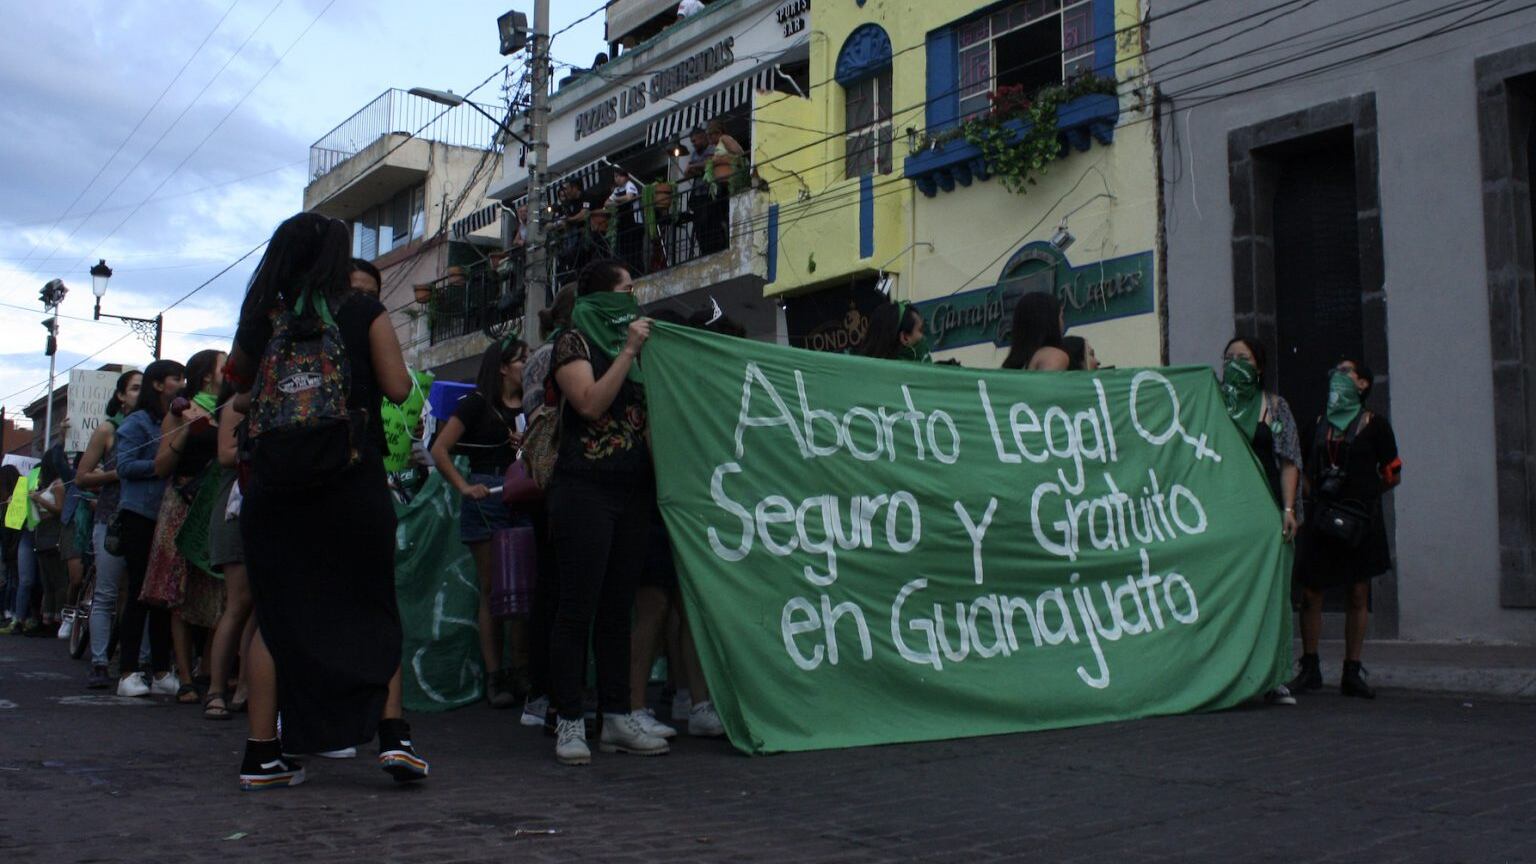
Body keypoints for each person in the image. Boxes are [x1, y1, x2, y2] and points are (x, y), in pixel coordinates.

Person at [226, 211, 425, 790]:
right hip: (349, 479)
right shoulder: (362, 309)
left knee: (277, 615)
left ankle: (262, 754)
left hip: (275, 486)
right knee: (372, 604)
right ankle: (395, 740)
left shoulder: (261, 318)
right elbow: (396, 388)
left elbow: (238, 390)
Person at [547, 257, 669, 765]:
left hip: (632, 491)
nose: (634, 298)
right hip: (585, 489)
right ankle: (569, 720)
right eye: (627, 290)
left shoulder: (641, 351)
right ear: (603, 300)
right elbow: (591, 403)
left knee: (619, 608)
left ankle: (616, 717)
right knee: (578, 606)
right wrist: (627, 351)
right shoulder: (573, 344)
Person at [1291, 359, 1401, 701]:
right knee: (1311, 594)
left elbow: (1393, 471)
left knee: (1358, 593)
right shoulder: (1318, 424)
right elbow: (1299, 466)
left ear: (1364, 384)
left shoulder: (1376, 426)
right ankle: (1309, 668)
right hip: (1323, 519)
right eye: (1334, 370)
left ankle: (1352, 671)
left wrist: (1364, 498)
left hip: (1360, 521)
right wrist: (1315, 497)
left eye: (1346, 371)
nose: (1337, 375)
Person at [430, 339, 530, 708]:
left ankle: (521, 669)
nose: (528, 364)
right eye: (522, 359)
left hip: (522, 494)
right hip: (488, 493)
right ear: (503, 368)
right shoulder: (475, 404)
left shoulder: (533, 404)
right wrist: (464, 486)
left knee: (521, 586)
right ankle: (495, 675)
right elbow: (439, 449)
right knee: (492, 589)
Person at [1220, 337, 1303, 706]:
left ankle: (1272, 675)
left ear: (1259, 366)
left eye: (1244, 357)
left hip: (1266, 510)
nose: (1235, 362)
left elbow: (1288, 460)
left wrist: (1288, 510)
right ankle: (1227, 675)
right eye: (1229, 358)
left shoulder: (1275, 407)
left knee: (1272, 596)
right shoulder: (1212, 404)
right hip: (1224, 513)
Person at [517, 284, 577, 729]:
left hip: (542, 477)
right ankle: (557, 695)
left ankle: (540, 694)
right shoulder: (566, 353)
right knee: (563, 592)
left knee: (548, 589)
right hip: (566, 473)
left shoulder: (536, 356)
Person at [113, 359, 185, 698]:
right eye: (176, 378)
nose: (181, 383)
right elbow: (125, 466)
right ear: (159, 384)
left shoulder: (176, 418)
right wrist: (160, 467)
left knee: (161, 596)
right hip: (139, 514)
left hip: (167, 514)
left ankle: (159, 670)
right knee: (141, 592)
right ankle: (127, 671)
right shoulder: (136, 424)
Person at [74, 369, 143, 687]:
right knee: (106, 592)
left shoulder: (154, 427)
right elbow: (82, 477)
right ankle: (99, 662)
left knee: (140, 594)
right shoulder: (108, 429)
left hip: (143, 519)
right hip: (110, 519)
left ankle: (136, 660)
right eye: (134, 388)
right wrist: (117, 474)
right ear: (120, 395)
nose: (138, 394)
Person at [202, 383, 253, 720]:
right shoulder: (236, 404)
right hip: (236, 511)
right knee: (238, 603)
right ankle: (216, 689)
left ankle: (247, 686)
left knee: (259, 607)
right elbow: (225, 454)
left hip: (263, 508)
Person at [1000, 292, 1070, 371]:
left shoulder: (1007, 368)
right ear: (1050, 322)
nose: (1063, 323)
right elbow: (1047, 382)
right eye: (1061, 317)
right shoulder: (1054, 356)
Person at [859, 302, 929, 361]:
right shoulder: (915, 374)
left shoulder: (856, 370)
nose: (923, 337)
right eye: (920, 330)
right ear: (904, 338)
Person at [607, 166, 644, 275]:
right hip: (622, 225)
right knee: (625, 253)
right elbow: (606, 203)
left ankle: (638, 273)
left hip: (634, 223)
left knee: (635, 251)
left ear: (626, 177)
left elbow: (629, 197)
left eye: (619, 176)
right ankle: (630, 274)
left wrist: (616, 200)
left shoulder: (630, 185)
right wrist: (617, 200)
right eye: (615, 177)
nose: (617, 179)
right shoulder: (617, 190)